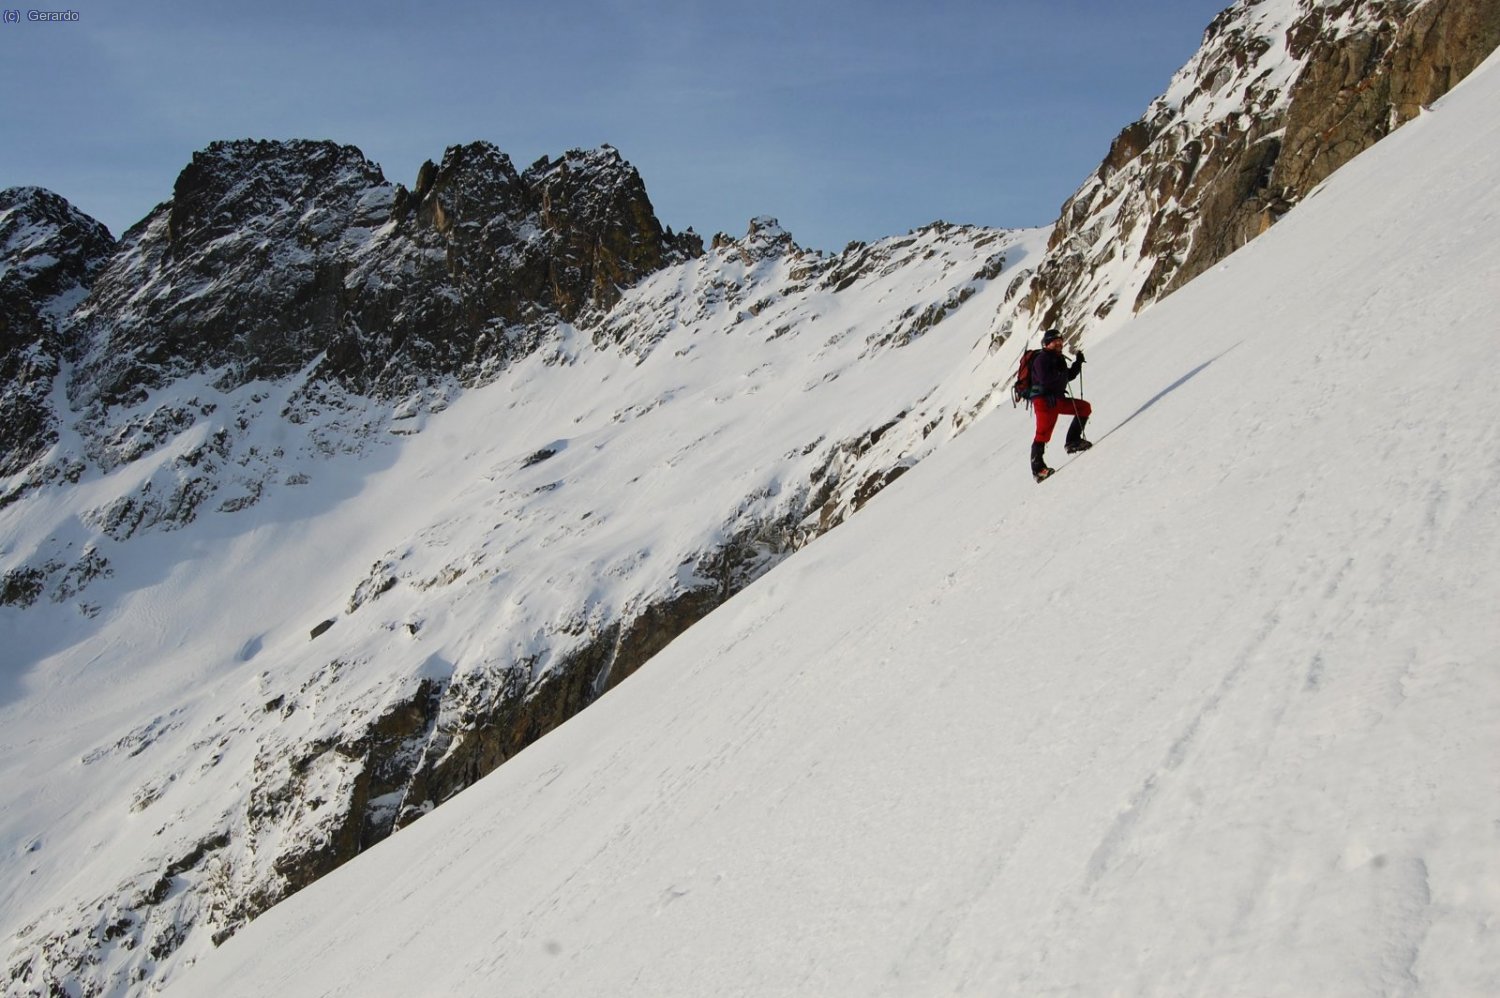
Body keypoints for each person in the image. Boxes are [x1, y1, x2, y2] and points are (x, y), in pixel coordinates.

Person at [1030, 329, 1091, 482]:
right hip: (1044, 402)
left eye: (1060, 340)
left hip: (1056, 400)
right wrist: (1060, 371)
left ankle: (1073, 441)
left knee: (1084, 408)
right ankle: (1038, 470)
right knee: (1043, 434)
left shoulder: (1057, 358)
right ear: (1046, 344)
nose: (1059, 343)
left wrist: (1077, 364)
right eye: (1054, 341)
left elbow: (1066, 377)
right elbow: (1046, 379)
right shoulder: (1042, 359)